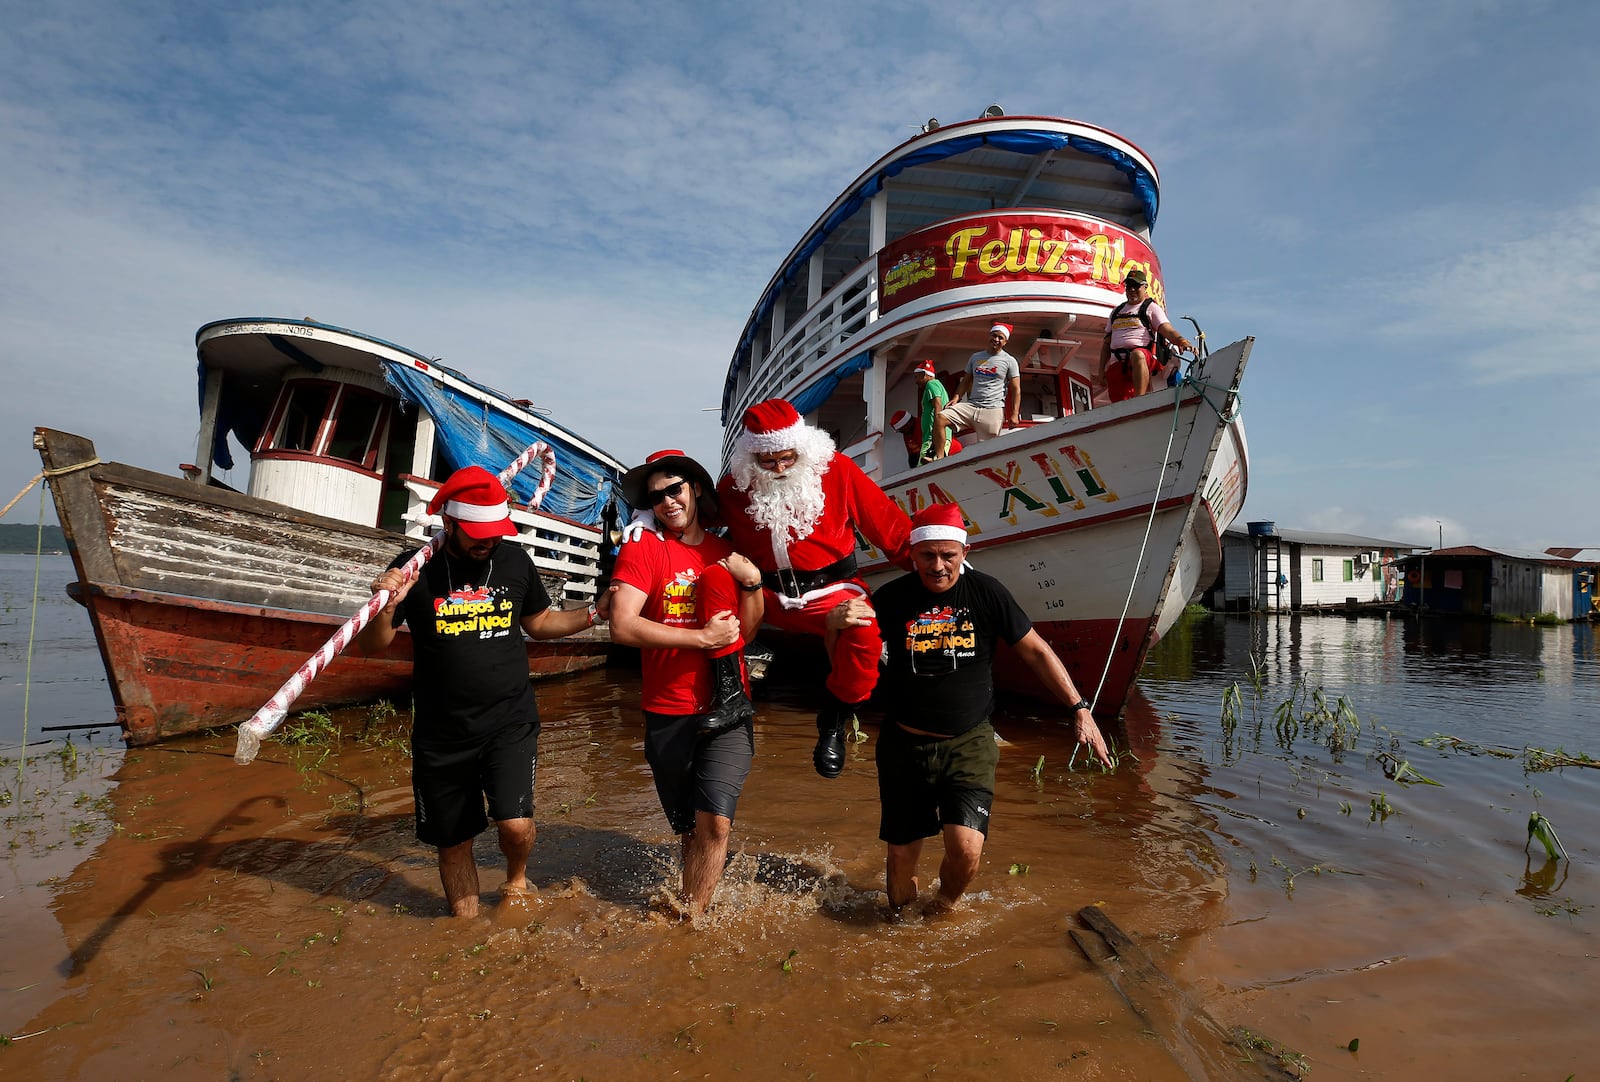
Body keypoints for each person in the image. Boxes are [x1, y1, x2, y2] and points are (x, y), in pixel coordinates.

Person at [356, 465, 601, 918]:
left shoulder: (513, 562)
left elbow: (541, 623)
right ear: (448, 524)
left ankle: (516, 878)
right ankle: (464, 930)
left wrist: (593, 614)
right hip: (441, 732)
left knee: (514, 823)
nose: (488, 542)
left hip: (508, 720)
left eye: (494, 533)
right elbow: (376, 645)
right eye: (476, 534)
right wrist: (384, 606)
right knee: (453, 843)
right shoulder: (414, 569)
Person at [861, 502, 1112, 916]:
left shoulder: (988, 593)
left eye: (948, 555)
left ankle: (940, 909)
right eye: (928, 555)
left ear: (965, 552)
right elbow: (852, 655)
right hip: (904, 745)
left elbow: (1036, 651)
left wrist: (1079, 708)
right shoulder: (890, 599)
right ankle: (899, 930)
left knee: (965, 852)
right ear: (912, 554)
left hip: (969, 742)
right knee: (901, 857)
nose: (938, 566)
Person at [715, 398, 912, 779]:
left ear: (801, 447)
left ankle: (835, 718)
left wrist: (938, 568)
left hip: (831, 590)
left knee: (865, 632)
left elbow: (887, 525)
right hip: (763, 595)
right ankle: (730, 706)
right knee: (715, 602)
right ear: (751, 457)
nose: (780, 468)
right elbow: (694, 516)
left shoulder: (837, 469)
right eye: (768, 462)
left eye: (788, 458)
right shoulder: (733, 486)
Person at [607, 450, 765, 915]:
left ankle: (690, 919)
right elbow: (622, 626)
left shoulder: (726, 553)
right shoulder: (644, 548)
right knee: (688, 829)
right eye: (655, 497)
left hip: (728, 707)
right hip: (666, 709)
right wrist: (700, 637)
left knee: (715, 823)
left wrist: (752, 585)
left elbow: (748, 630)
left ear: (695, 488)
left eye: (673, 489)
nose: (666, 502)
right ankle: (691, 896)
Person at [1098, 268, 1193, 402]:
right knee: (1118, 404)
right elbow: (1107, 344)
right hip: (1118, 362)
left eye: (1136, 286)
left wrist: (1181, 341)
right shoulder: (1116, 311)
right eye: (1129, 286)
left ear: (1145, 287)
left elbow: (1167, 329)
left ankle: (1140, 401)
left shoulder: (1151, 308)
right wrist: (1101, 371)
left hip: (1144, 357)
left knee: (1137, 355)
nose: (1132, 290)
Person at [937, 322, 1021, 451]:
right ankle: (939, 458)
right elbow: (965, 381)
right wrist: (956, 398)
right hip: (971, 406)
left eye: (1000, 338)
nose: (996, 339)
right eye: (994, 335)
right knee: (940, 418)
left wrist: (1014, 414)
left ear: (1005, 342)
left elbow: (1016, 389)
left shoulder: (1010, 361)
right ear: (989, 336)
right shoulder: (975, 357)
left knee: (987, 451)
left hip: (992, 410)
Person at [889, 407, 962, 468]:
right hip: (937, 459)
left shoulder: (923, 425)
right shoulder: (907, 433)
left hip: (952, 454)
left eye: (901, 430)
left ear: (907, 425)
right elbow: (913, 456)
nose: (901, 432)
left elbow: (929, 451)